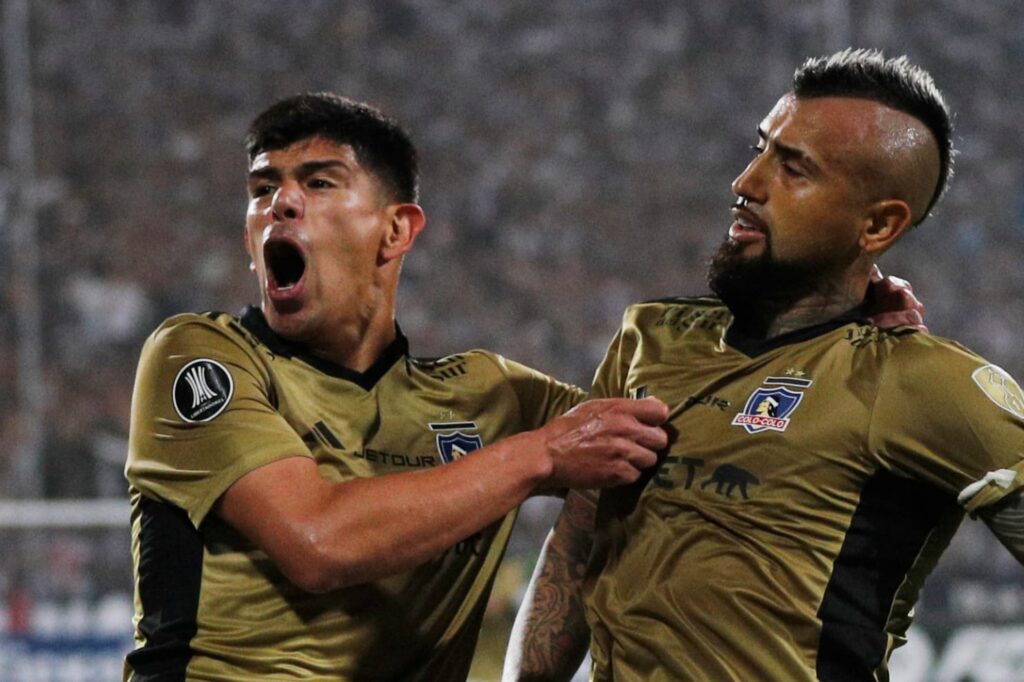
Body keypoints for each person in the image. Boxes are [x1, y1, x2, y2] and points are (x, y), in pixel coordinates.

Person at [504, 48, 1024, 681]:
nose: (747, 182)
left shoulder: (923, 382)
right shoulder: (650, 337)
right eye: (761, 149)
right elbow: (577, 545)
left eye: (794, 169)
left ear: (880, 224)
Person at [123, 92, 672, 681]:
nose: (280, 203)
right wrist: (541, 455)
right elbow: (318, 542)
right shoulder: (201, 356)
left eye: (319, 183)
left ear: (395, 231)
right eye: (262, 190)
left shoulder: (492, 395)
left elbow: (648, 448)